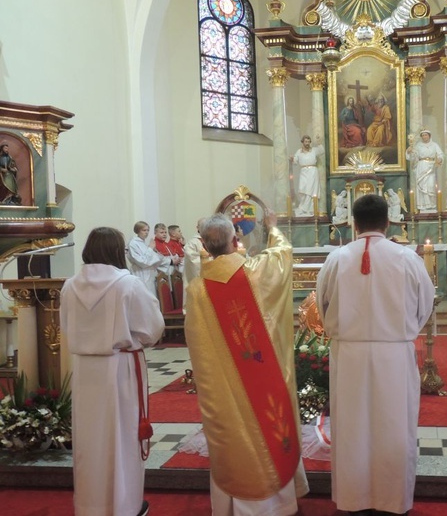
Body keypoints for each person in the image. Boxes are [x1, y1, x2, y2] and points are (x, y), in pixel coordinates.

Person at [316, 194, 435, 516]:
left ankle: (353, 499)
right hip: (394, 356)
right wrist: (402, 331)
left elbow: (321, 304)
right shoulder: (407, 258)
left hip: (350, 355)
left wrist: (342, 330)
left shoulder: (337, 258)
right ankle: (393, 501)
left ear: (353, 222)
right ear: (387, 221)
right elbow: (426, 303)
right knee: (394, 426)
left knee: (352, 427)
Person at [184, 212, 308, 515]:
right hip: (262, 381)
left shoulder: (197, 291)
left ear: (203, 244)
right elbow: (282, 254)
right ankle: (274, 506)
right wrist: (273, 228)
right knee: (268, 425)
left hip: (222, 389)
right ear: (234, 240)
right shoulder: (255, 273)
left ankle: (231, 506)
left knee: (233, 434)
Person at [60, 227, 164, 516]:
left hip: (84, 370)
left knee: (90, 440)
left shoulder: (70, 286)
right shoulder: (127, 285)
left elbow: (67, 329)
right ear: (119, 251)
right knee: (122, 437)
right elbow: (152, 328)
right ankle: (124, 506)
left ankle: (90, 507)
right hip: (120, 369)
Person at [127, 221, 170, 296]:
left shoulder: (143, 243)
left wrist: (155, 253)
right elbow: (142, 262)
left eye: (148, 230)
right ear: (137, 230)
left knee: (153, 297)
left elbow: (154, 258)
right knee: (145, 297)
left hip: (149, 273)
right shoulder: (133, 243)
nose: (146, 232)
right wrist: (150, 248)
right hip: (141, 273)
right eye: (144, 230)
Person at [406, 129, 443, 212]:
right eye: (422, 135)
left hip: (431, 167)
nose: (424, 137)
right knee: (422, 186)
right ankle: (423, 206)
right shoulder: (418, 146)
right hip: (421, 166)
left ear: (429, 136)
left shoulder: (434, 145)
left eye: (426, 135)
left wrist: (439, 159)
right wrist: (409, 152)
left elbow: (440, 154)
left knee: (431, 185)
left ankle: (432, 205)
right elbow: (413, 157)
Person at [290, 135, 324, 217]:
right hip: (304, 172)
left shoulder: (314, 150)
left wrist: (319, 142)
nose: (307, 143)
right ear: (302, 142)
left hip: (313, 172)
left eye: (309, 142)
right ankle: (303, 208)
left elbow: (322, 151)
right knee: (303, 189)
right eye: (306, 142)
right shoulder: (299, 151)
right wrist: (292, 159)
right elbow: (295, 162)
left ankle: (311, 209)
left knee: (312, 191)